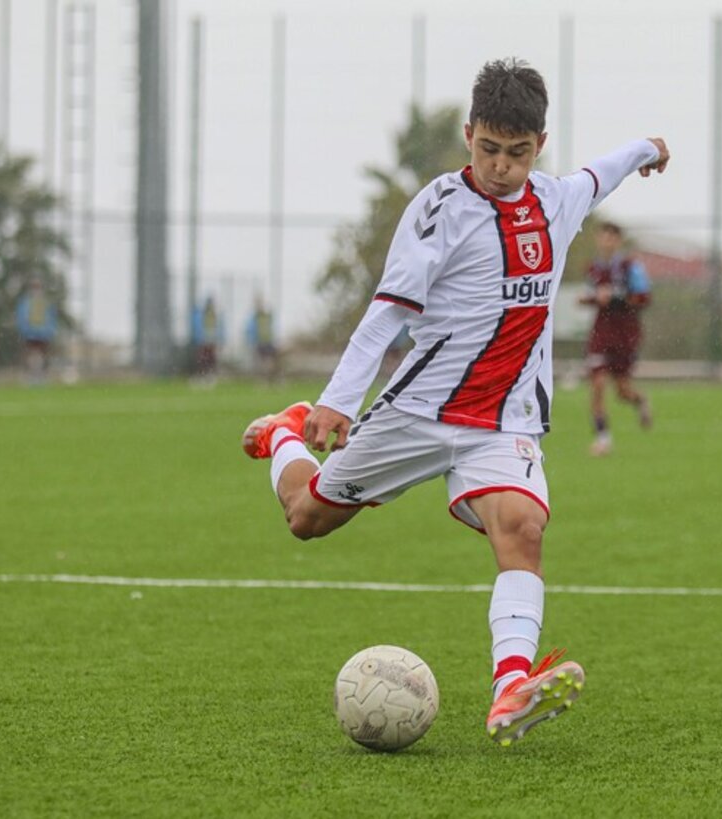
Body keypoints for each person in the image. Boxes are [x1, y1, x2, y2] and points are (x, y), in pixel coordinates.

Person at [241, 58, 669, 745]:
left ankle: (510, 688)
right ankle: (281, 435)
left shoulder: (556, 201)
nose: (501, 166)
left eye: (518, 152)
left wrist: (649, 149)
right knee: (306, 518)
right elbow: (388, 312)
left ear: (539, 145)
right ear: (469, 134)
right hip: (419, 411)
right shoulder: (439, 208)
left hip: (503, 421)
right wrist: (333, 402)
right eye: (488, 148)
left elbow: (602, 173)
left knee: (522, 530)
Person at [580, 221, 653, 456]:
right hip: (601, 334)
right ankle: (603, 438)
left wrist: (615, 297)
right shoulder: (593, 269)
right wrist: (591, 298)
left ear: (618, 241)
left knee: (622, 391)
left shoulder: (630, 267)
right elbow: (589, 295)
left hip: (625, 334)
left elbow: (644, 297)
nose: (606, 241)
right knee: (598, 384)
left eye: (611, 237)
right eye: (603, 237)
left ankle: (640, 400)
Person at [16, 279, 57, 383]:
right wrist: (24, 331)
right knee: (30, 355)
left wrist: (49, 331)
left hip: (44, 334)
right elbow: (21, 318)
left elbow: (52, 318)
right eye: (34, 287)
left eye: (38, 287)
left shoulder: (46, 303)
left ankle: (42, 377)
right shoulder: (25, 303)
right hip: (29, 334)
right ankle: (29, 377)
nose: (36, 290)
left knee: (43, 356)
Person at [246, 295, 280, 382]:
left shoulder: (267, 316)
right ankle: (263, 379)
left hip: (268, 341)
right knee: (262, 362)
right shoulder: (254, 317)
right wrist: (251, 341)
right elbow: (250, 330)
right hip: (259, 342)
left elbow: (272, 328)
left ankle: (270, 378)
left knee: (270, 361)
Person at [192, 296, 223, 384]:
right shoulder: (203, 314)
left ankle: (210, 376)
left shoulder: (213, 315)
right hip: (204, 341)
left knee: (211, 359)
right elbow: (199, 327)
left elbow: (218, 328)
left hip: (211, 340)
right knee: (203, 359)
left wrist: (219, 338)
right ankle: (203, 375)